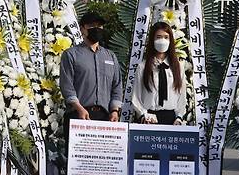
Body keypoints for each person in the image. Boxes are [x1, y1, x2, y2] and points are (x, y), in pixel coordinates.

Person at [60, 12, 123, 142]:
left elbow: (117, 86)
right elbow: (67, 86)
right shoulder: (71, 55)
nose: (97, 29)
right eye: (92, 26)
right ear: (82, 28)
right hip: (78, 115)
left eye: (99, 26)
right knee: (76, 161)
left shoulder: (110, 56)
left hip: (105, 118)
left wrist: (115, 111)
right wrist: (79, 108)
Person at [131, 21, 186, 125]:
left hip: (171, 119)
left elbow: (182, 96)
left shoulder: (178, 67)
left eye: (166, 37)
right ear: (152, 40)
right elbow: (136, 96)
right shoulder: (143, 67)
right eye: (158, 37)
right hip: (149, 119)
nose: (162, 40)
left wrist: (179, 117)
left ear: (171, 40)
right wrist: (143, 114)